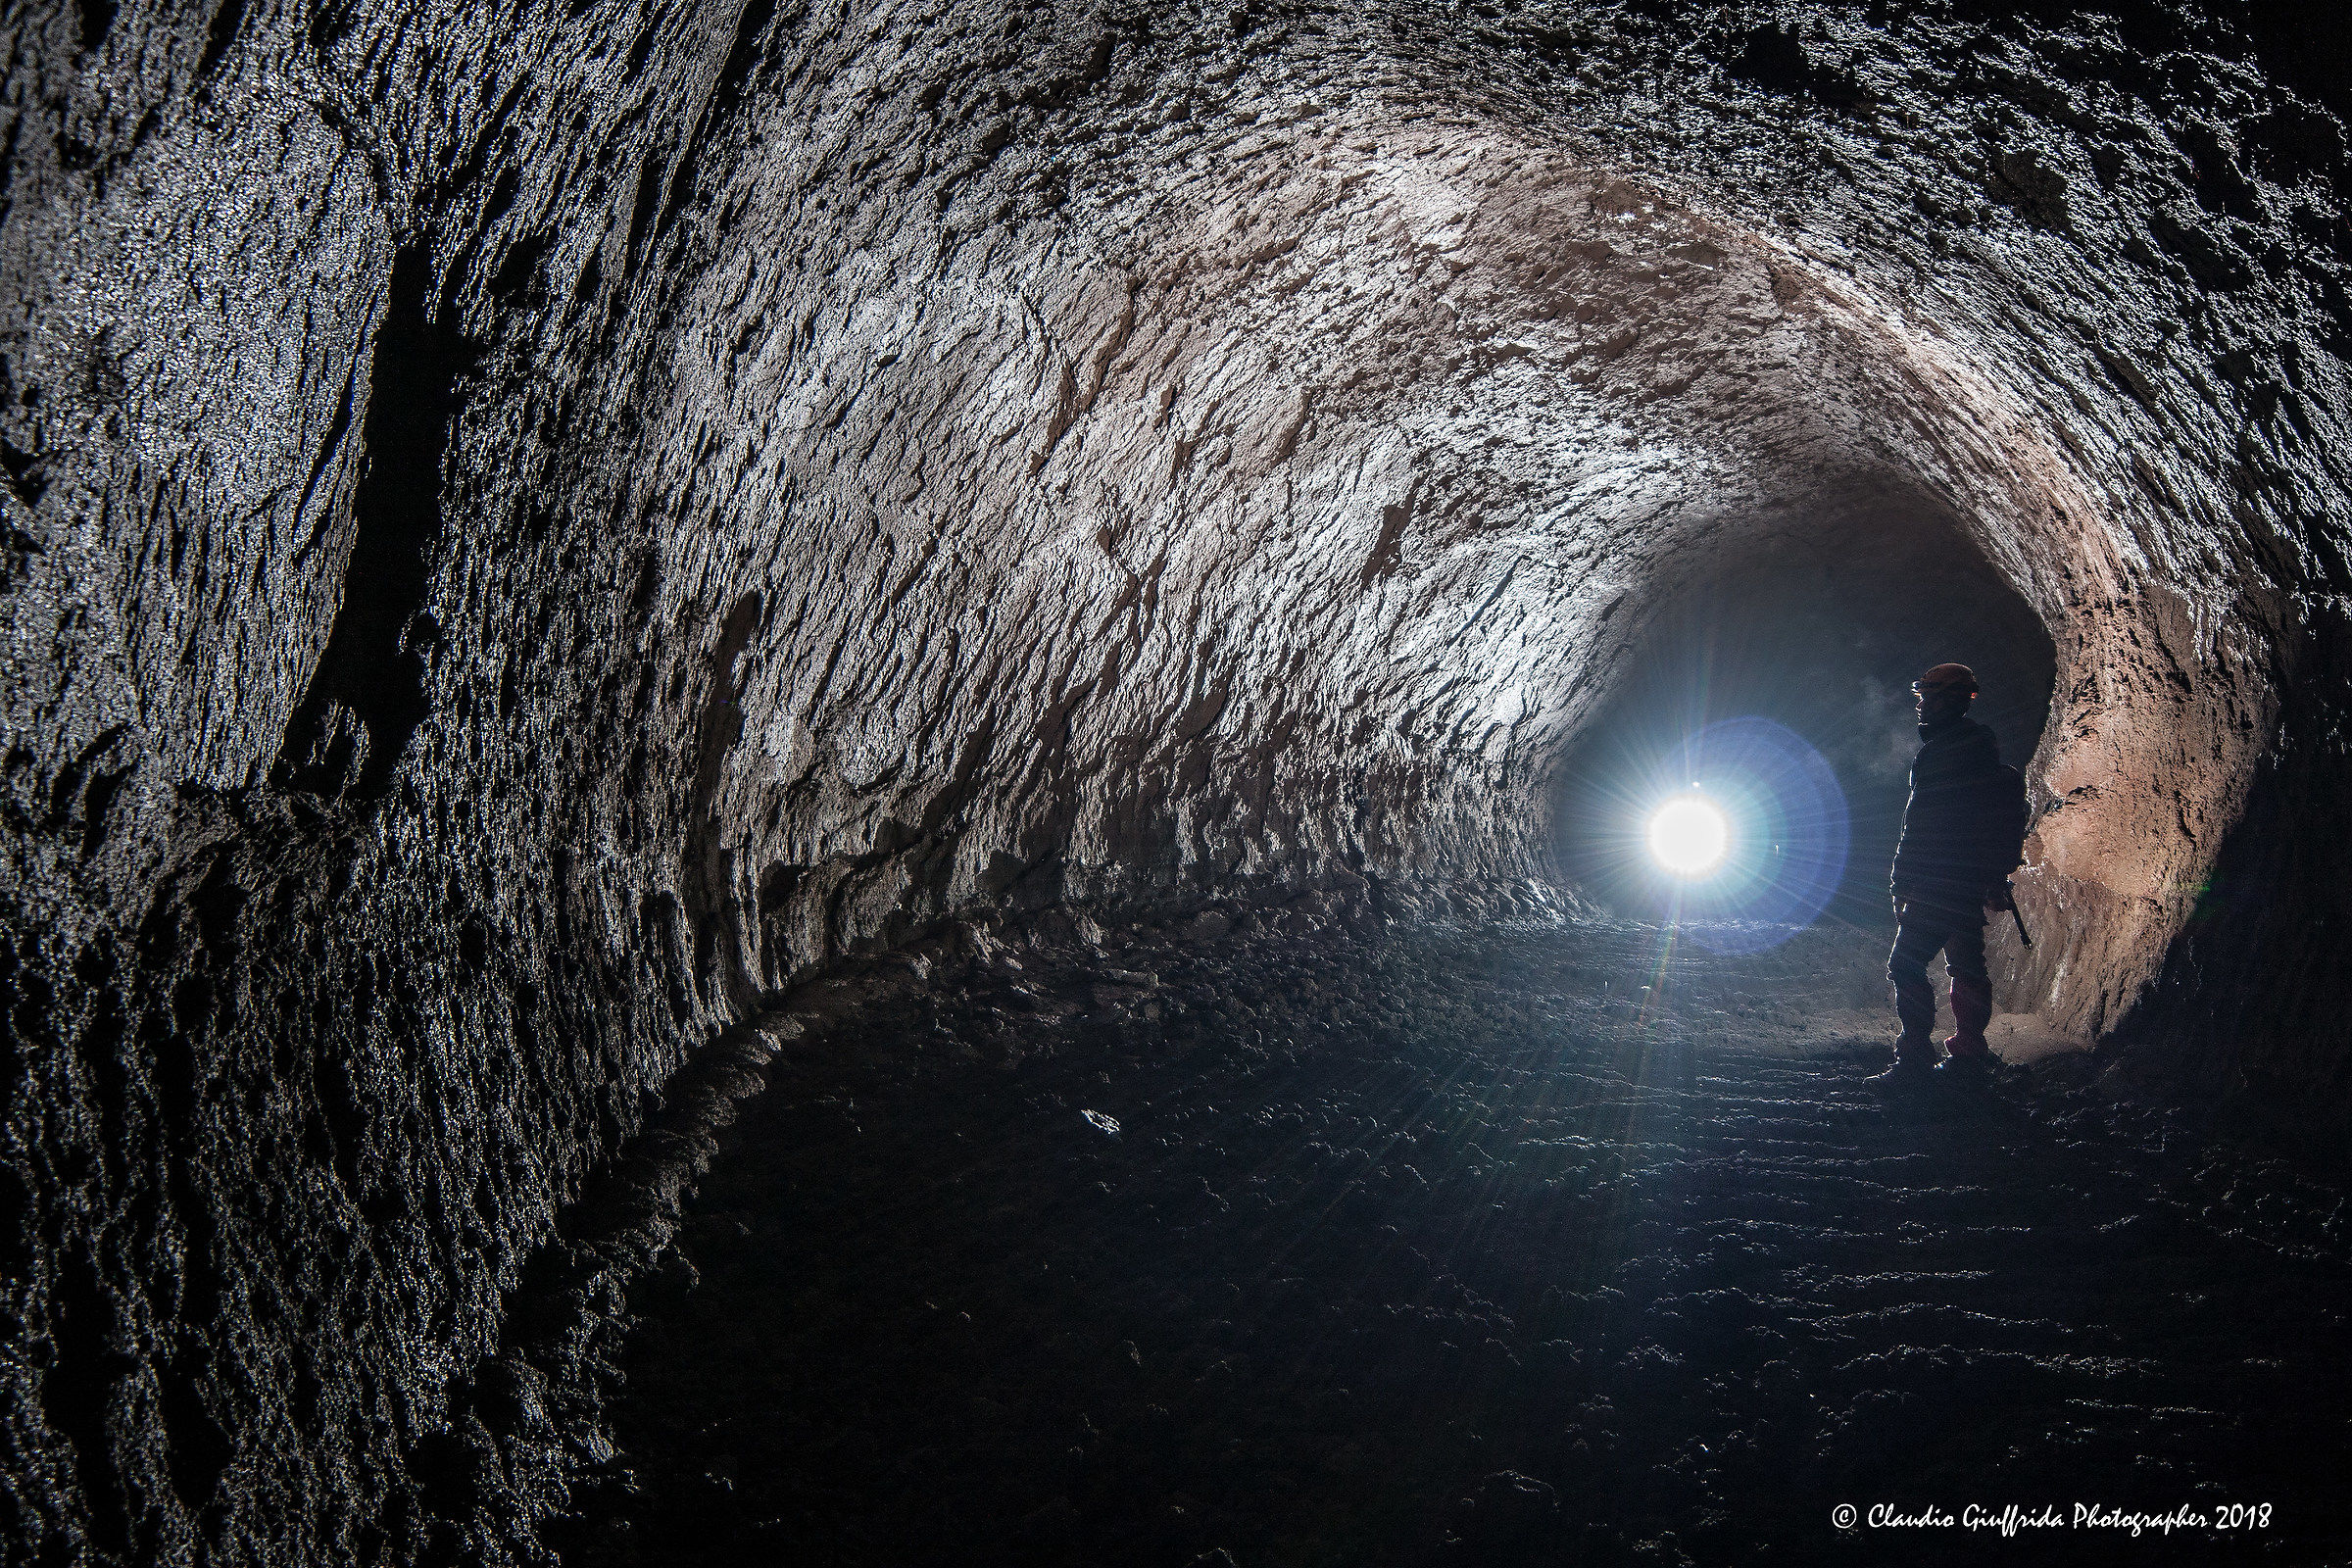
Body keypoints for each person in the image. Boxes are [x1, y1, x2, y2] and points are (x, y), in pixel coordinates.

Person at [1877, 662, 2022, 1082]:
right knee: (1965, 964)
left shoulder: (1942, 755)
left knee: (1905, 964)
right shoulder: (1982, 752)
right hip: (1968, 880)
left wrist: (1901, 882)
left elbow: (1921, 826)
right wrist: (1992, 874)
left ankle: (1915, 1057)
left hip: (1939, 880)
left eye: (1927, 697)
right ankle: (1970, 1053)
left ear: (1948, 701)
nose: (1921, 706)